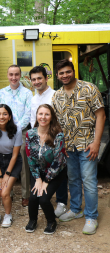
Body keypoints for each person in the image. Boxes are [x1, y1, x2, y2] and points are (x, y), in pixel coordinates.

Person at [52, 59, 106, 235]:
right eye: (61, 73)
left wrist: (96, 142)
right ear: (57, 75)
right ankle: (75, 209)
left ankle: (91, 217)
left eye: (68, 72)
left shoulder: (89, 88)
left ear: (73, 71)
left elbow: (101, 115)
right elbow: (58, 123)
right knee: (73, 179)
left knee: (89, 181)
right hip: (68, 147)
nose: (65, 75)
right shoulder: (57, 96)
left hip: (88, 144)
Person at [29, 66, 68, 218]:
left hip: (55, 138)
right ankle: (42, 197)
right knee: (41, 169)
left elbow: (61, 119)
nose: (37, 82)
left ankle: (61, 202)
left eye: (39, 78)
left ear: (46, 78)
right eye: (33, 79)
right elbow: (34, 120)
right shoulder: (33, 99)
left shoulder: (56, 95)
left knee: (58, 167)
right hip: (39, 138)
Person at [0, 65, 33, 207]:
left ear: (20, 75)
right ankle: (7, 192)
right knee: (5, 160)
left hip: (21, 131)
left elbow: (28, 114)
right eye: (11, 74)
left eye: (16, 74)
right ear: (7, 75)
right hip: (3, 131)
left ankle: (25, 195)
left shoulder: (28, 93)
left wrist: (16, 129)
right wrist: (5, 128)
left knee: (22, 162)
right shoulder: (0, 93)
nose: (14, 77)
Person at [25, 104, 67, 234]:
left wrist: (46, 181)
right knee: (32, 198)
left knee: (43, 198)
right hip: (38, 171)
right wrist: (37, 178)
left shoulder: (58, 135)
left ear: (51, 117)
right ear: (36, 116)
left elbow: (58, 161)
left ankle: (51, 221)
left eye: (46, 114)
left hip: (55, 173)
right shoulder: (30, 134)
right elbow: (30, 158)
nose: (43, 117)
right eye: (40, 114)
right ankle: (32, 220)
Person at [0, 104, 22, 228]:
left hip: (13, 161)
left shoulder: (17, 130)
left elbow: (15, 155)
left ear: (9, 116)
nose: (1, 116)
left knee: (5, 192)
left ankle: (8, 215)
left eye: (5, 114)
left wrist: (7, 174)